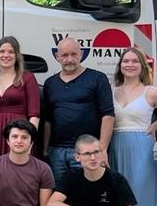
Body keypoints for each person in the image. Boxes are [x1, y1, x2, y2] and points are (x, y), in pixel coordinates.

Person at [108, 47, 157, 206]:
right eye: (125, 61)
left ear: (142, 66)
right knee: (117, 200)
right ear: (120, 65)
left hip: (142, 148)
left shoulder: (152, 92)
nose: (129, 65)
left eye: (134, 61)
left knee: (139, 199)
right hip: (115, 145)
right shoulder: (112, 91)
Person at [41, 38, 115, 185]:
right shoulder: (50, 83)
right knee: (61, 194)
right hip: (57, 152)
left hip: (88, 151)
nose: (70, 59)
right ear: (57, 57)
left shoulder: (97, 78)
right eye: (65, 55)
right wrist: (45, 150)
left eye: (74, 54)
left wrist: (101, 150)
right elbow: (48, 120)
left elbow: (108, 115)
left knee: (89, 193)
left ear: (81, 54)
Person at [0, 36, 39, 160]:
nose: (6, 55)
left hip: (20, 136)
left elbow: (34, 115)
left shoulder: (27, 78)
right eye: (2, 51)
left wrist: (28, 142)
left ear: (17, 56)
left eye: (11, 52)